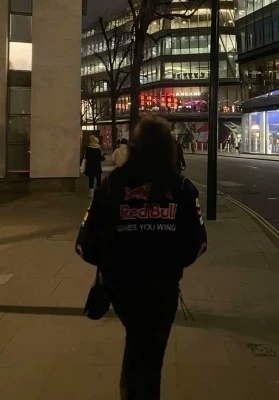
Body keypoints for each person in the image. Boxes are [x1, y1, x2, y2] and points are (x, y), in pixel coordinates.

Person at [76, 116, 207, 400]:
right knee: (151, 356)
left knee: (137, 343)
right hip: (162, 287)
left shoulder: (111, 185)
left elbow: (84, 244)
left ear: (133, 148)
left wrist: (112, 262)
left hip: (122, 287)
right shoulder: (182, 189)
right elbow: (198, 244)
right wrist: (170, 262)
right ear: (169, 149)